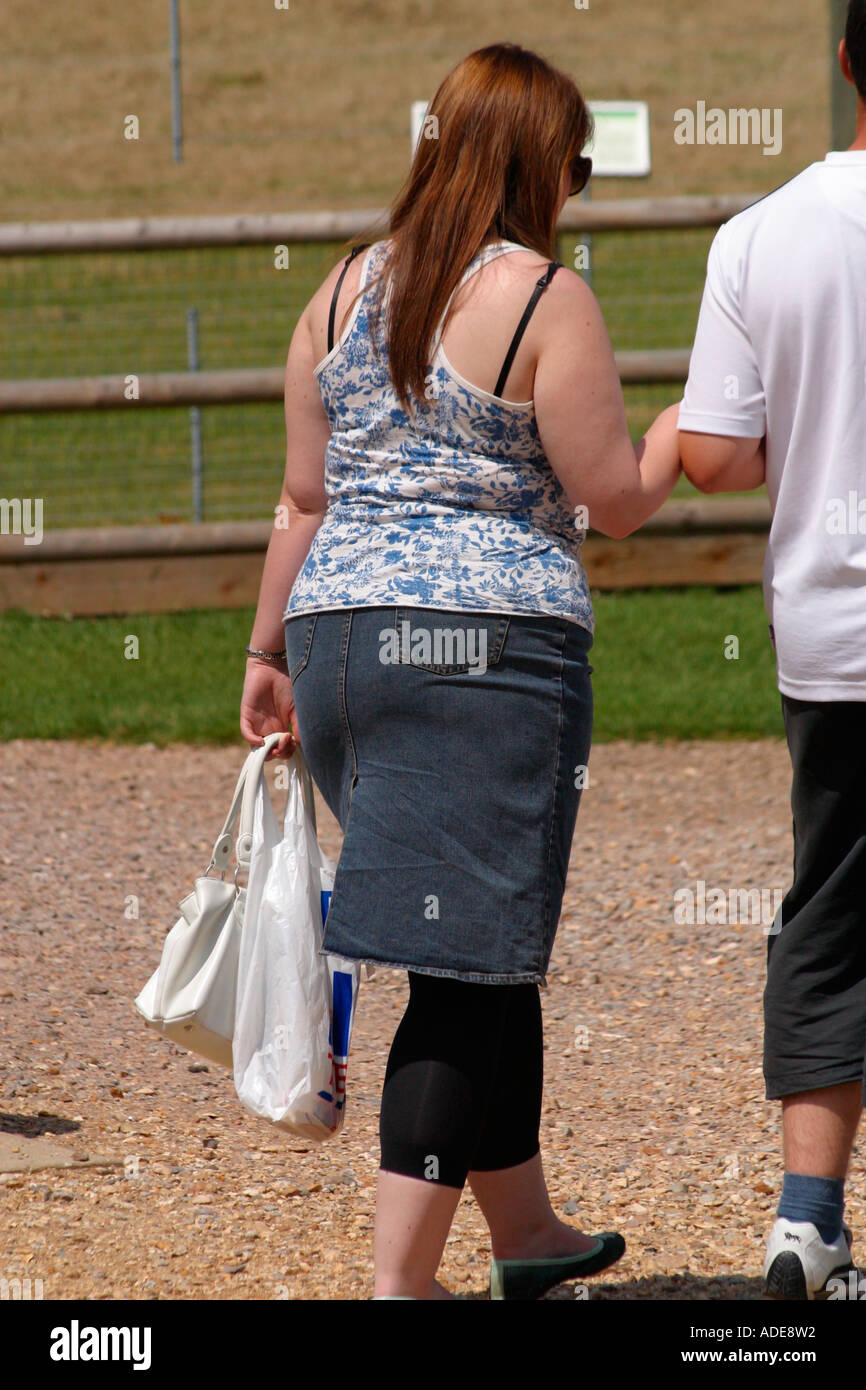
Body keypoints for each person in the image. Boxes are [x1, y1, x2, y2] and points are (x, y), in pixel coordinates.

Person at [241, 41, 681, 1301]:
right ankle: (402, 1285)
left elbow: (297, 496)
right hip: (482, 656)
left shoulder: (333, 293)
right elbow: (612, 495)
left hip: (334, 647)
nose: (575, 187)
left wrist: (266, 653)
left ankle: (526, 1232)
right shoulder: (546, 298)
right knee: (459, 970)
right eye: (574, 165)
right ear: (537, 163)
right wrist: (674, 435)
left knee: (481, 948)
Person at [678, 0, 866, 1302]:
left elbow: (711, 452)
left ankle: (806, 1219)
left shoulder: (761, 233)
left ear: (848, 58)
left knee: (831, 909)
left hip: (829, 629)